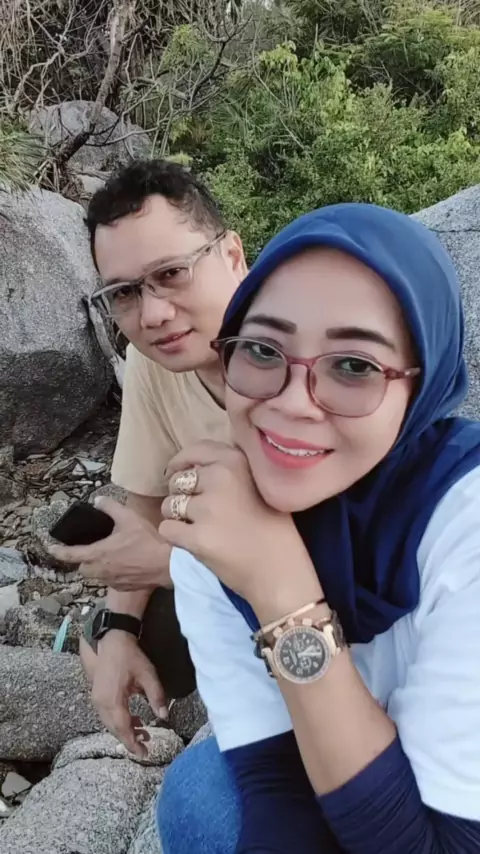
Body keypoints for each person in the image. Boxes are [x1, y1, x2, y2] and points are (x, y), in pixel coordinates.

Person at [156, 204, 480, 853]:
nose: (292, 402)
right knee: (203, 792)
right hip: (360, 781)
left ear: (421, 385)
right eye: (262, 350)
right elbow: (280, 785)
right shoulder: (215, 532)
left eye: (354, 366)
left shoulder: (464, 522)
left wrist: (283, 593)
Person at [49, 159, 247, 756]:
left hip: (349, 602)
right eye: (125, 292)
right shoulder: (155, 359)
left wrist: (173, 566)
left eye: (172, 274)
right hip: (232, 572)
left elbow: (350, 557)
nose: (153, 314)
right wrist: (118, 629)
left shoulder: (303, 355)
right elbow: (146, 514)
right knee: (114, 641)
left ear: (233, 255)